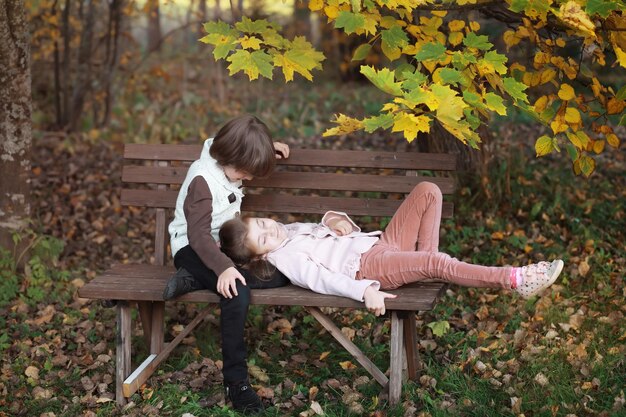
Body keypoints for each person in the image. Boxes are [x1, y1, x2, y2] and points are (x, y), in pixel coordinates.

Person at [218, 182, 565, 317]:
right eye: (263, 237)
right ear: (262, 256)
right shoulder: (286, 257)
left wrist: (336, 221)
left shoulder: (288, 232)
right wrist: (366, 290)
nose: (270, 229)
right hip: (371, 269)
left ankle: (427, 265)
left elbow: (330, 234)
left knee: (428, 191)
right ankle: (515, 280)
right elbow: (322, 280)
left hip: (381, 246)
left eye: (263, 222)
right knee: (433, 262)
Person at [164, 115, 290, 414]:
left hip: (224, 242)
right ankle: (237, 383)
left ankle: (193, 279)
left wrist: (265, 148)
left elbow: (240, 143)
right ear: (228, 158)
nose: (245, 178)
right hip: (193, 248)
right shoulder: (202, 181)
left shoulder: (227, 154)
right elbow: (198, 236)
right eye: (243, 172)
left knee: (279, 274)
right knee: (237, 290)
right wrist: (223, 268)